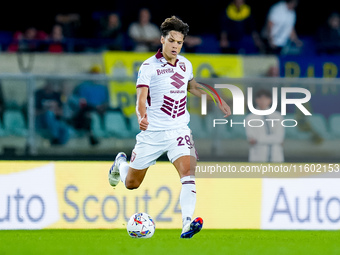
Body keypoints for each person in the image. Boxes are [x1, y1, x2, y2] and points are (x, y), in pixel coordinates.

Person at [108, 16, 231, 238]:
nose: (176, 46)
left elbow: (192, 87)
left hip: (179, 130)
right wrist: (141, 117)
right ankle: (120, 163)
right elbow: (140, 99)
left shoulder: (185, 64)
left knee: (188, 174)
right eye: (172, 40)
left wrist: (217, 99)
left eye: (180, 42)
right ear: (162, 39)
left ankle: (186, 223)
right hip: (153, 132)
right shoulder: (149, 67)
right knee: (131, 184)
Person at [69, 65, 109, 146]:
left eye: (97, 74)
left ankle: (95, 134)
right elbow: (80, 101)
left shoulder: (103, 88)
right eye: (93, 74)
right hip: (86, 109)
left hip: (99, 109)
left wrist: (102, 106)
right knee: (88, 113)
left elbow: (106, 102)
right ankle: (91, 135)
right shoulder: (83, 86)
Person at [245, 89, 285, 162]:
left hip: (276, 158)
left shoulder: (278, 116)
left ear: (270, 100)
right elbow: (252, 139)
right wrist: (273, 139)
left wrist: (259, 139)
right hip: (258, 157)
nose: (263, 101)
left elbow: (279, 137)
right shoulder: (250, 118)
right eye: (260, 99)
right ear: (256, 100)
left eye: (266, 99)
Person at [35, 81, 70, 145]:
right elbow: (33, 112)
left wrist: (55, 109)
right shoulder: (38, 94)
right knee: (49, 113)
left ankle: (59, 146)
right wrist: (45, 110)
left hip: (54, 121)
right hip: (41, 122)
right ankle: (55, 136)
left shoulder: (56, 95)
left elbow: (61, 113)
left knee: (65, 129)